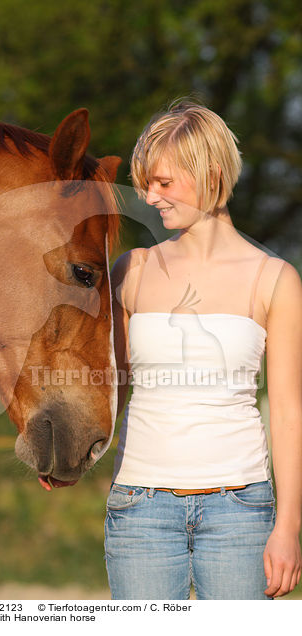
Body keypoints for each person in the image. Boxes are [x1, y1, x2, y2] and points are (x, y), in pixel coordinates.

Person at [104, 99, 302, 600]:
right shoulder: (131, 271)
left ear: (211, 176)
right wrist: (64, 454)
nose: (150, 197)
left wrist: (287, 529)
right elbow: (108, 388)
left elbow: (288, 413)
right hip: (139, 509)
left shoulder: (274, 279)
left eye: (163, 183)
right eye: (146, 182)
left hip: (240, 512)